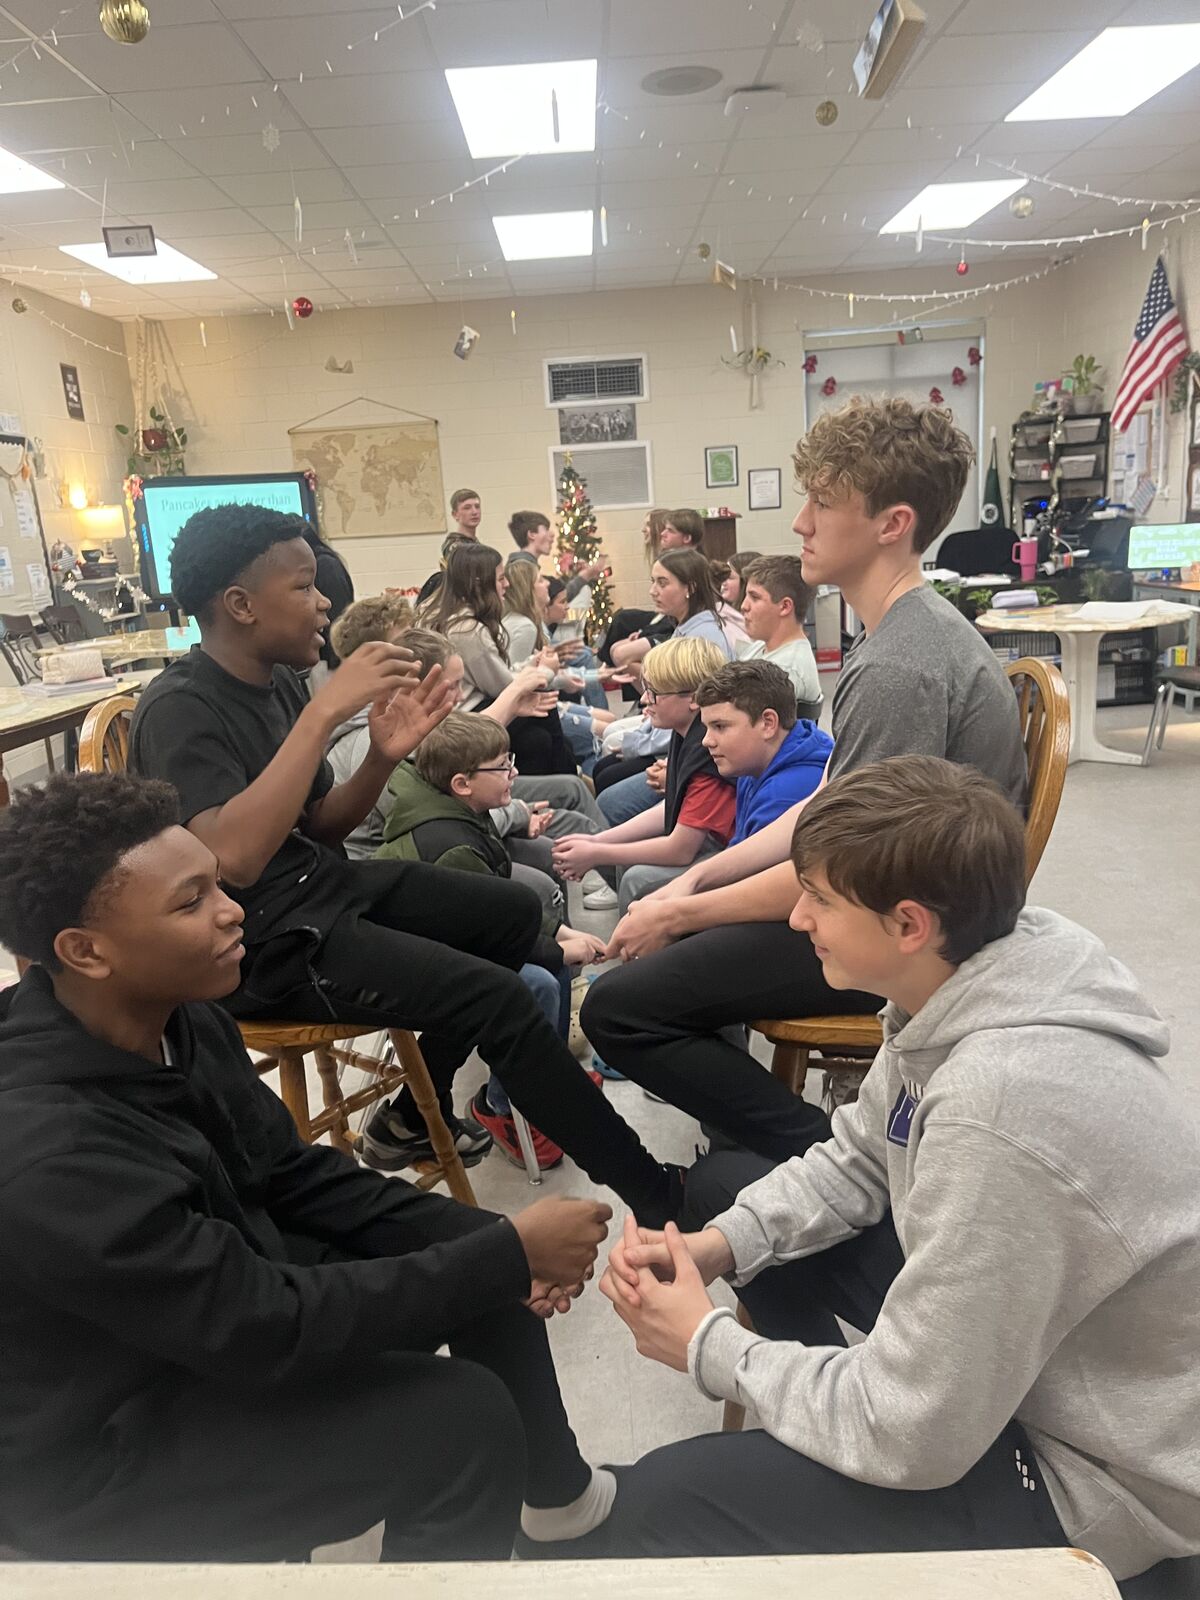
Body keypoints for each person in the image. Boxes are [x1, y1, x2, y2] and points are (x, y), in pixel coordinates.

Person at [594, 756, 1200, 1589]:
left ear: (909, 923)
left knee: (661, 1505)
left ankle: (846, 1445)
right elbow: (856, 1159)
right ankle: (831, 1428)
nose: (798, 916)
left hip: (1097, 1475)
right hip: (1024, 1369)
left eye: (820, 899)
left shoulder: (1002, 1107)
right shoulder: (958, 986)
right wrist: (715, 1249)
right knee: (726, 1193)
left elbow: (915, 1434)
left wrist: (708, 1347)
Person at [0, 770, 621, 1563]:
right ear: (84, 951)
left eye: (217, 887)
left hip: (198, 1319)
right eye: (190, 903)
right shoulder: (48, 1151)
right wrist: (505, 1257)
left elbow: (289, 1176)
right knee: (461, 1423)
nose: (234, 912)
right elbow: (260, 1325)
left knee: (477, 1260)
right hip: (96, 1447)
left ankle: (557, 1502)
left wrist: (493, 1248)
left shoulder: (184, 1019)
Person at [127, 504, 683, 1224]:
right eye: (302, 587)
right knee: (501, 997)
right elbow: (231, 859)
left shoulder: (279, 687)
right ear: (239, 605)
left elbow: (323, 827)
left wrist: (383, 755)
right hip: (260, 941)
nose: (323, 600)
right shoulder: (182, 708)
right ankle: (655, 1191)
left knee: (513, 912)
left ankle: (407, 1116)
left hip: (315, 889)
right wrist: (322, 717)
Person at [582, 396, 1027, 1167]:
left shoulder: (899, 665)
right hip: (893, 906)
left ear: (892, 523)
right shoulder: (900, 636)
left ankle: (827, 1162)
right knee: (669, 934)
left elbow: (840, 875)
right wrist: (690, 886)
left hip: (908, 939)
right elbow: (829, 812)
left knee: (621, 1008)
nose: (800, 522)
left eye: (823, 501)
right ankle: (785, 1154)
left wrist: (679, 913)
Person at [377, 711, 606, 1169]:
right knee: (535, 982)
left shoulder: (459, 814)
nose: (514, 773)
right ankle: (502, 1108)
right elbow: (484, 934)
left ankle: (546, 1082)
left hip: (449, 939)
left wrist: (558, 934)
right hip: (419, 956)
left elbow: (493, 911)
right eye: (503, 766)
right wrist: (556, 946)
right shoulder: (450, 842)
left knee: (550, 965)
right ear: (462, 783)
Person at [325, 618, 603, 867]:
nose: (460, 696)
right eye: (453, 685)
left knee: (569, 791)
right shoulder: (378, 741)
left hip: (444, 831)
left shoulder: (411, 718)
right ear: (416, 685)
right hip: (393, 861)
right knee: (542, 861)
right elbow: (439, 819)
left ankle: (611, 859)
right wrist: (517, 813)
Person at [553, 638, 734, 915]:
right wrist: (599, 841)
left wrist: (597, 851)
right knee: (623, 855)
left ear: (694, 698)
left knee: (637, 879)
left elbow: (681, 850)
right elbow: (673, 806)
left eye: (654, 693)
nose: (643, 699)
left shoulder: (707, 749)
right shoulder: (686, 732)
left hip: (726, 854)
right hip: (704, 841)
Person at [420, 540, 576, 776]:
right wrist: (545, 671)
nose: (507, 584)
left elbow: (497, 673)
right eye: (501, 578)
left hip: (461, 708)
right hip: (464, 716)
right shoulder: (467, 629)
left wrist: (531, 667)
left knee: (543, 735)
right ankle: (566, 786)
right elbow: (501, 686)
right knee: (545, 708)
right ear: (480, 583)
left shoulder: (439, 614)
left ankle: (564, 785)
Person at [693, 659, 831, 845]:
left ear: (768, 723)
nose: (706, 741)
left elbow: (744, 870)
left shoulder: (783, 796)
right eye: (707, 728)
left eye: (720, 726)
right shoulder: (756, 761)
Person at [735, 554, 822, 711]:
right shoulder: (760, 646)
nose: (743, 606)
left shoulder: (786, 671)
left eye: (754, 597)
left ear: (785, 607)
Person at [508, 511, 605, 604]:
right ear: (532, 534)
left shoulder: (526, 565)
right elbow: (557, 600)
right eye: (546, 528)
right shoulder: (523, 569)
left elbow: (557, 595)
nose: (552, 534)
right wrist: (587, 574)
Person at [302, 526, 355, 671]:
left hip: (331, 657)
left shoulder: (325, 565)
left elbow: (338, 614)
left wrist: (336, 661)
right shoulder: (320, 563)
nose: (323, 602)